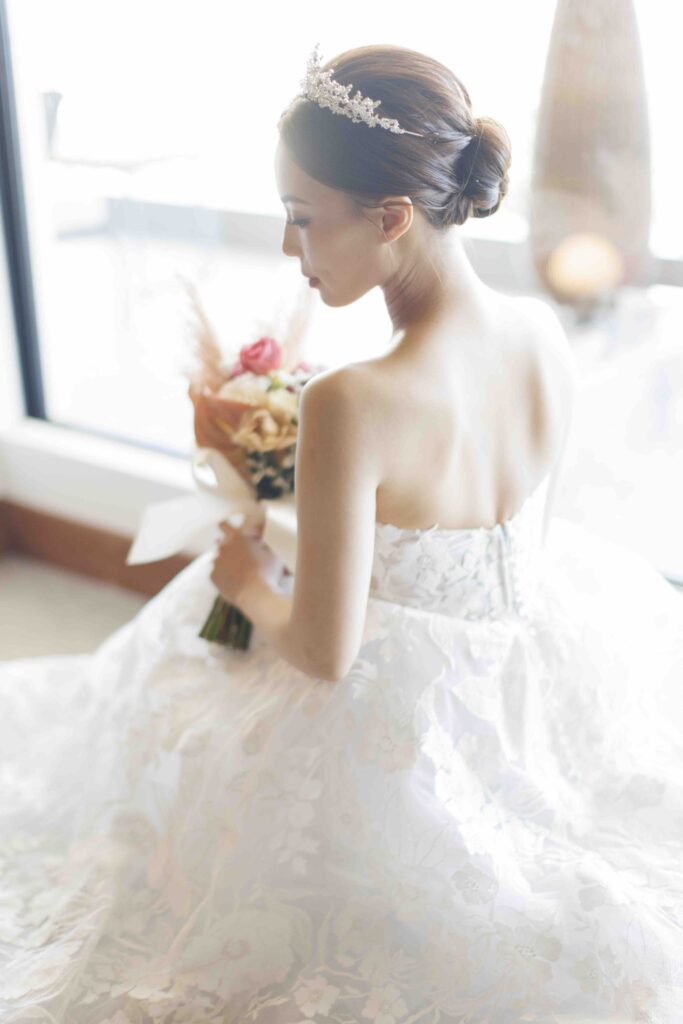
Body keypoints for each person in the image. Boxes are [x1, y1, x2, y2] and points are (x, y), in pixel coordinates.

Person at [1, 42, 682, 1024]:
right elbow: (515, 522)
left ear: (391, 216)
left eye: (299, 220)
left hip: (400, 713)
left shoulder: (353, 400)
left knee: (179, 694)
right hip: (524, 656)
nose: (290, 252)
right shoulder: (538, 332)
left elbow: (324, 652)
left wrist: (242, 576)